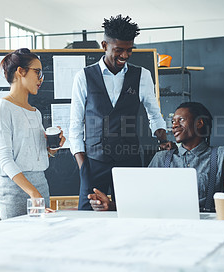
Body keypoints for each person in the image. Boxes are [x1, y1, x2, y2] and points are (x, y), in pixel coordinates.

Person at [69, 15, 173, 210]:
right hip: (94, 161)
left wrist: (162, 138)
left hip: (129, 159)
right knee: (88, 216)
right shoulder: (83, 77)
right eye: (119, 50)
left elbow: (154, 113)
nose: (125, 56)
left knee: (131, 211)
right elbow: (75, 125)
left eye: (129, 50)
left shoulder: (142, 75)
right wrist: (84, 168)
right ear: (104, 45)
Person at [88, 102, 224, 213]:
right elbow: (142, 201)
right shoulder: (161, 158)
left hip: (207, 228)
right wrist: (112, 205)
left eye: (181, 120)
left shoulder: (221, 156)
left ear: (199, 123)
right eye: (172, 121)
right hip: (167, 227)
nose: (174, 125)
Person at [0, 48, 65, 219]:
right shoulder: (2, 107)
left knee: (41, 241)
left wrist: (52, 150)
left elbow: (35, 156)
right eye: (37, 72)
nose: (41, 79)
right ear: (20, 71)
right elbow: (5, 160)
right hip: (14, 191)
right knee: (16, 242)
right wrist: (33, 192)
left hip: (40, 185)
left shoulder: (35, 112)